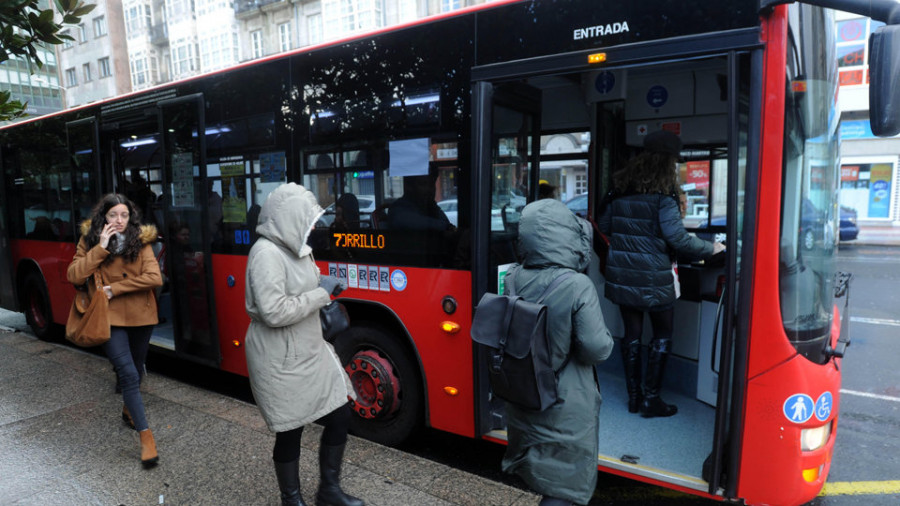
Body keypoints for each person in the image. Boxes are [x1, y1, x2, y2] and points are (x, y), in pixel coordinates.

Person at [244, 183, 363, 506]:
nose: (312, 226)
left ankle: (329, 491)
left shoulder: (298, 246)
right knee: (290, 428)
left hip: (310, 348)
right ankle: (291, 500)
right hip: (280, 355)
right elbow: (273, 311)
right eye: (307, 220)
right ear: (288, 218)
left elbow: (301, 286)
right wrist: (322, 294)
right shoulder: (265, 253)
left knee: (340, 413)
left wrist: (321, 282)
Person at [598, 130, 725, 418]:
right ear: (668, 162)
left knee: (632, 333)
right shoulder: (663, 195)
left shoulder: (620, 189)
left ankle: (633, 398)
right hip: (655, 278)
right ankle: (651, 400)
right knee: (663, 333)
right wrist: (712, 248)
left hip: (623, 277)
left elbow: (605, 226)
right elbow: (678, 239)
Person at [501, 199, 614, 506]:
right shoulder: (577, 285)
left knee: (540, 466)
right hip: (565, 399)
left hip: (526, 389)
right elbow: (596, 350)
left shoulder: (513, 275)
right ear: (568, 237)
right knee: (564, 486)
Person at [66, 193, 163, 468]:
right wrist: (101, 247)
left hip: (141, 317)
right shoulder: (90, 241)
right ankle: (146, 438)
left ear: (130, 217)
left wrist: (114, 289)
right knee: (128, 374)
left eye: (124, 215)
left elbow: (154, 277)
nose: (119, 220)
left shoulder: (141, 241)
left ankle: (128, 410)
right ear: (103, 217)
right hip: (107, 317)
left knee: (137, 367)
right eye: (113, 215)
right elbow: (74, 275)